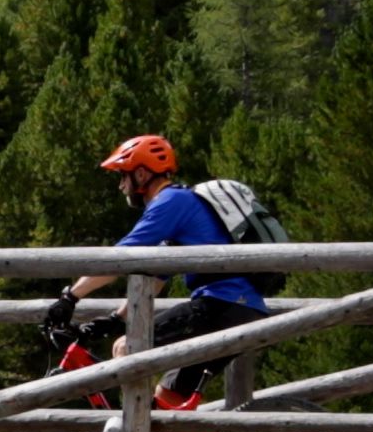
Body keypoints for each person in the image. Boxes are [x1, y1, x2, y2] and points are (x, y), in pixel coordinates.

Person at [63, 132, 262, 370]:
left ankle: (135, 409)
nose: (121, 186)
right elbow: (156, 277)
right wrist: (117, 318)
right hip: (242, 309)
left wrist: (71, 296)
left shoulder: (170, 201)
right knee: (169, 396)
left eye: (123, 177)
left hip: (221, 305)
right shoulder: (181, 202)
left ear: (140, 174)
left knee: (127, 347)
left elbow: (119, 257)